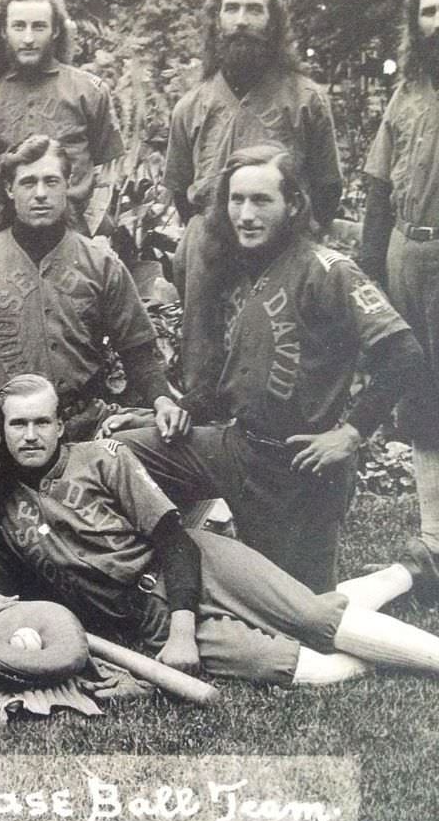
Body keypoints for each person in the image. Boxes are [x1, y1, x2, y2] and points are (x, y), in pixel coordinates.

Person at [0, 373, 439, 688]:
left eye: (42, 422)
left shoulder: (104, 458)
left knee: (316, 620)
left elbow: (174, 541)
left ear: (59, 425)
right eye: (19, 424)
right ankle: (408, 572)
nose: (31, 435)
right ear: (1, 430)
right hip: (144, 620)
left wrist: (182, 633)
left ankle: (410, 586)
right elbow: (8, 601)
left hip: (202, 565)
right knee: (300, 668)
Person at [114, 144, 426, 593]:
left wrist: (351, 434)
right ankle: (156, 571)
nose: (245, 214)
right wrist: (177, 411)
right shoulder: (240, 270)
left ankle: (403, 576)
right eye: (236, 199)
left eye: (261, 200)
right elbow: (240, 384)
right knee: (117, 454)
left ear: (294, 204)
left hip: (300, 469)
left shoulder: (329, 270)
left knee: (297, 612)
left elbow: (405, 353)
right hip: (237, 449)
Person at [0, 134, 190, 443]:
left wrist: (163, 401)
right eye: (28, 182)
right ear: (9, 189)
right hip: (0, 431)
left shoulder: (100, 263)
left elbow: (137, 352)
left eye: (51, 181)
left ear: (68, 184)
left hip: (82, 425)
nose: (40, 194)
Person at [168, 0, 344, 404]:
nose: (242, 20)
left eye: (254, 9)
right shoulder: (193, 105)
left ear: (273, 21)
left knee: (279, 368)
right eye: (232, 9)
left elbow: (327, 187)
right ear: (217, 21)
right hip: (210, 249)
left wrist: (293, 234)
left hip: (282, 248)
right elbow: (178, 189)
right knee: (205, 375)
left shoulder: (305, 99)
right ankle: (202, 415)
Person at [355, 0, 439, 608]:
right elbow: (378, 192)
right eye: (431, 12)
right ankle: (434, 538)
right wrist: (371, 272)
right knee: (420, 394)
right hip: (409, 251)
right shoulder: (407, 93)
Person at [0, 0, 124, 234]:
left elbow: (107, 172)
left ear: (55, 31)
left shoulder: (89, 91)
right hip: (9, 238)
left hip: (77, 234)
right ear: (3, 32)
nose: (29, 38)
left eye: (39, 26)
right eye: (19, 27)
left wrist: (90, 233)